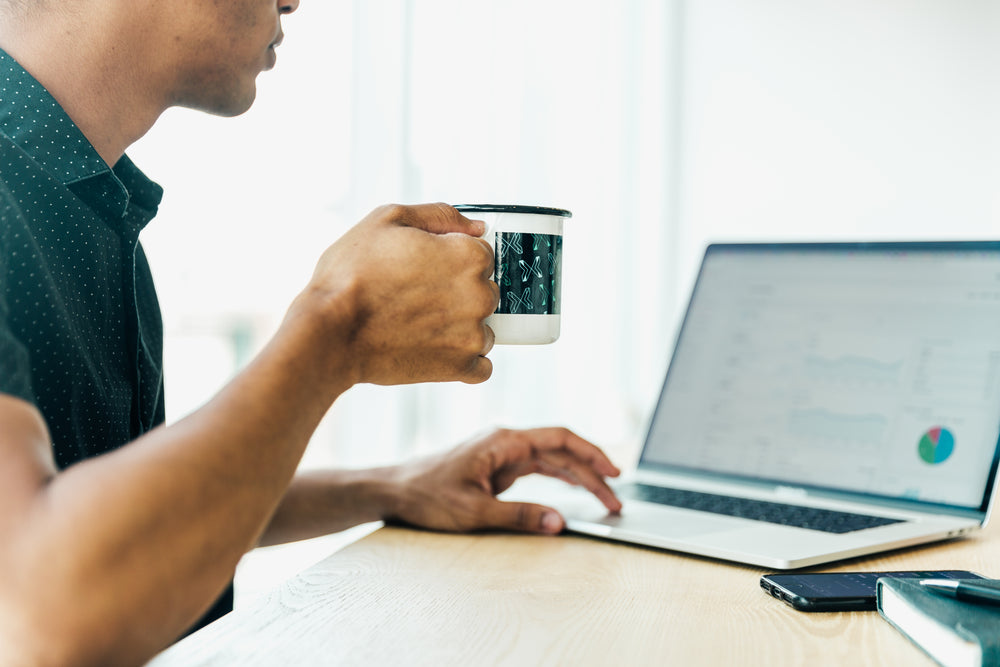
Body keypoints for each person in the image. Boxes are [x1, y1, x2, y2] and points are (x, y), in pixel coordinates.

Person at [0, 1, 623, 665]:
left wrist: (395, 485)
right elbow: (35, 608)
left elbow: (121, 525)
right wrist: (333, 326)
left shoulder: (95, 213)